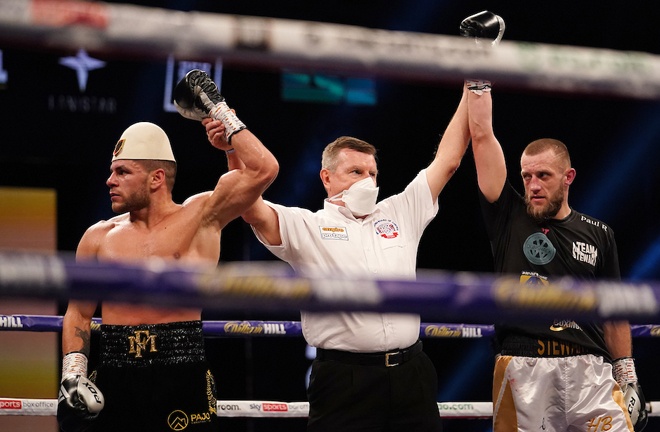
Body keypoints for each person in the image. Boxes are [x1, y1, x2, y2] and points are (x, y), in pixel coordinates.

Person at [203, 83, 471, 431]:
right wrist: (232, 149)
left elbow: (448, 161)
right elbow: (249, 205)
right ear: (326, 178)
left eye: (372, 173)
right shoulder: (308, 226)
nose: (367, 181)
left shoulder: (400, 211)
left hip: (412, 374)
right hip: (345, 381)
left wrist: (473, 82)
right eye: (356, 172)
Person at [57, 70, 279, 432]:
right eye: (112, 172)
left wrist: (221, 114)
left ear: (156, 178)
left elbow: (263, 168)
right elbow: (79, 313)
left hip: (181, 374)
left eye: (122, 172)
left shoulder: (201, 216)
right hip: (113, 372)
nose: (109, 181)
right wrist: (73, 373)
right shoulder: (97, 237)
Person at [466, 80, 648, 431]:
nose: (533, 184)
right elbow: (482, 136)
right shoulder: (508, 217)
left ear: (568, 177)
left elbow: (615, 310)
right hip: (524, 367)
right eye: (526, 176)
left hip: (590, 371)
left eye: (543, 176)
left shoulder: (599, 234)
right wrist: (478, 72)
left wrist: (627, 376)